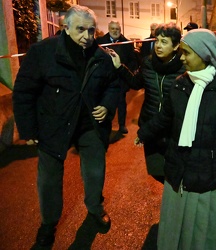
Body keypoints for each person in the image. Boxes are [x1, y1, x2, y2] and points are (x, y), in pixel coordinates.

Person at [12, 5, 119, 249]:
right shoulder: (42, 52)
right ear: (65, 27)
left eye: (92, 31)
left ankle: (95, 207)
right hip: (53, 125)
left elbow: (113, 85)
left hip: (89, 124)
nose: (87, 37)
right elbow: (24, 92)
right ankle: (48, 225)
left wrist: (107, 105)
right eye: (81, 29)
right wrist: (28, 130)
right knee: (49, 180)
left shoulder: (100, 56)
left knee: (94, 172)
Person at [134, 29, 216, 250]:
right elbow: (165, 117)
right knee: (175, 227)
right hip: (178, 171)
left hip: (207, 177)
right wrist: (143, 133)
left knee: (200, 234)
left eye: (187, 53)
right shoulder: (181, 84)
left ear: (205, 54)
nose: (182, 58)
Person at [109, 22, 185, 183]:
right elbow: (136, 83)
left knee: (176, 172)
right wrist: (119, 67)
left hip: (174, 128)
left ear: (176, 45)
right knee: (156, 170)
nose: (158, 45)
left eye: (164, 42)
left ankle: (174, 205)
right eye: (157, 40)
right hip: (150, 124)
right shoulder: (148, 63)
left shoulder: (184, 67)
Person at [97, 21, 138, 134]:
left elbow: (132, 60)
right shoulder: (100, 42)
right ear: (108, 29)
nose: (115, 31)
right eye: (113, 29)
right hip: (105, 78)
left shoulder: (127, 43)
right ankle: (106, 125)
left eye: (117, 29)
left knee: (121, 103)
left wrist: (126, 71)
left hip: (121, 78)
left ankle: (122, 125)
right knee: (106, 102)